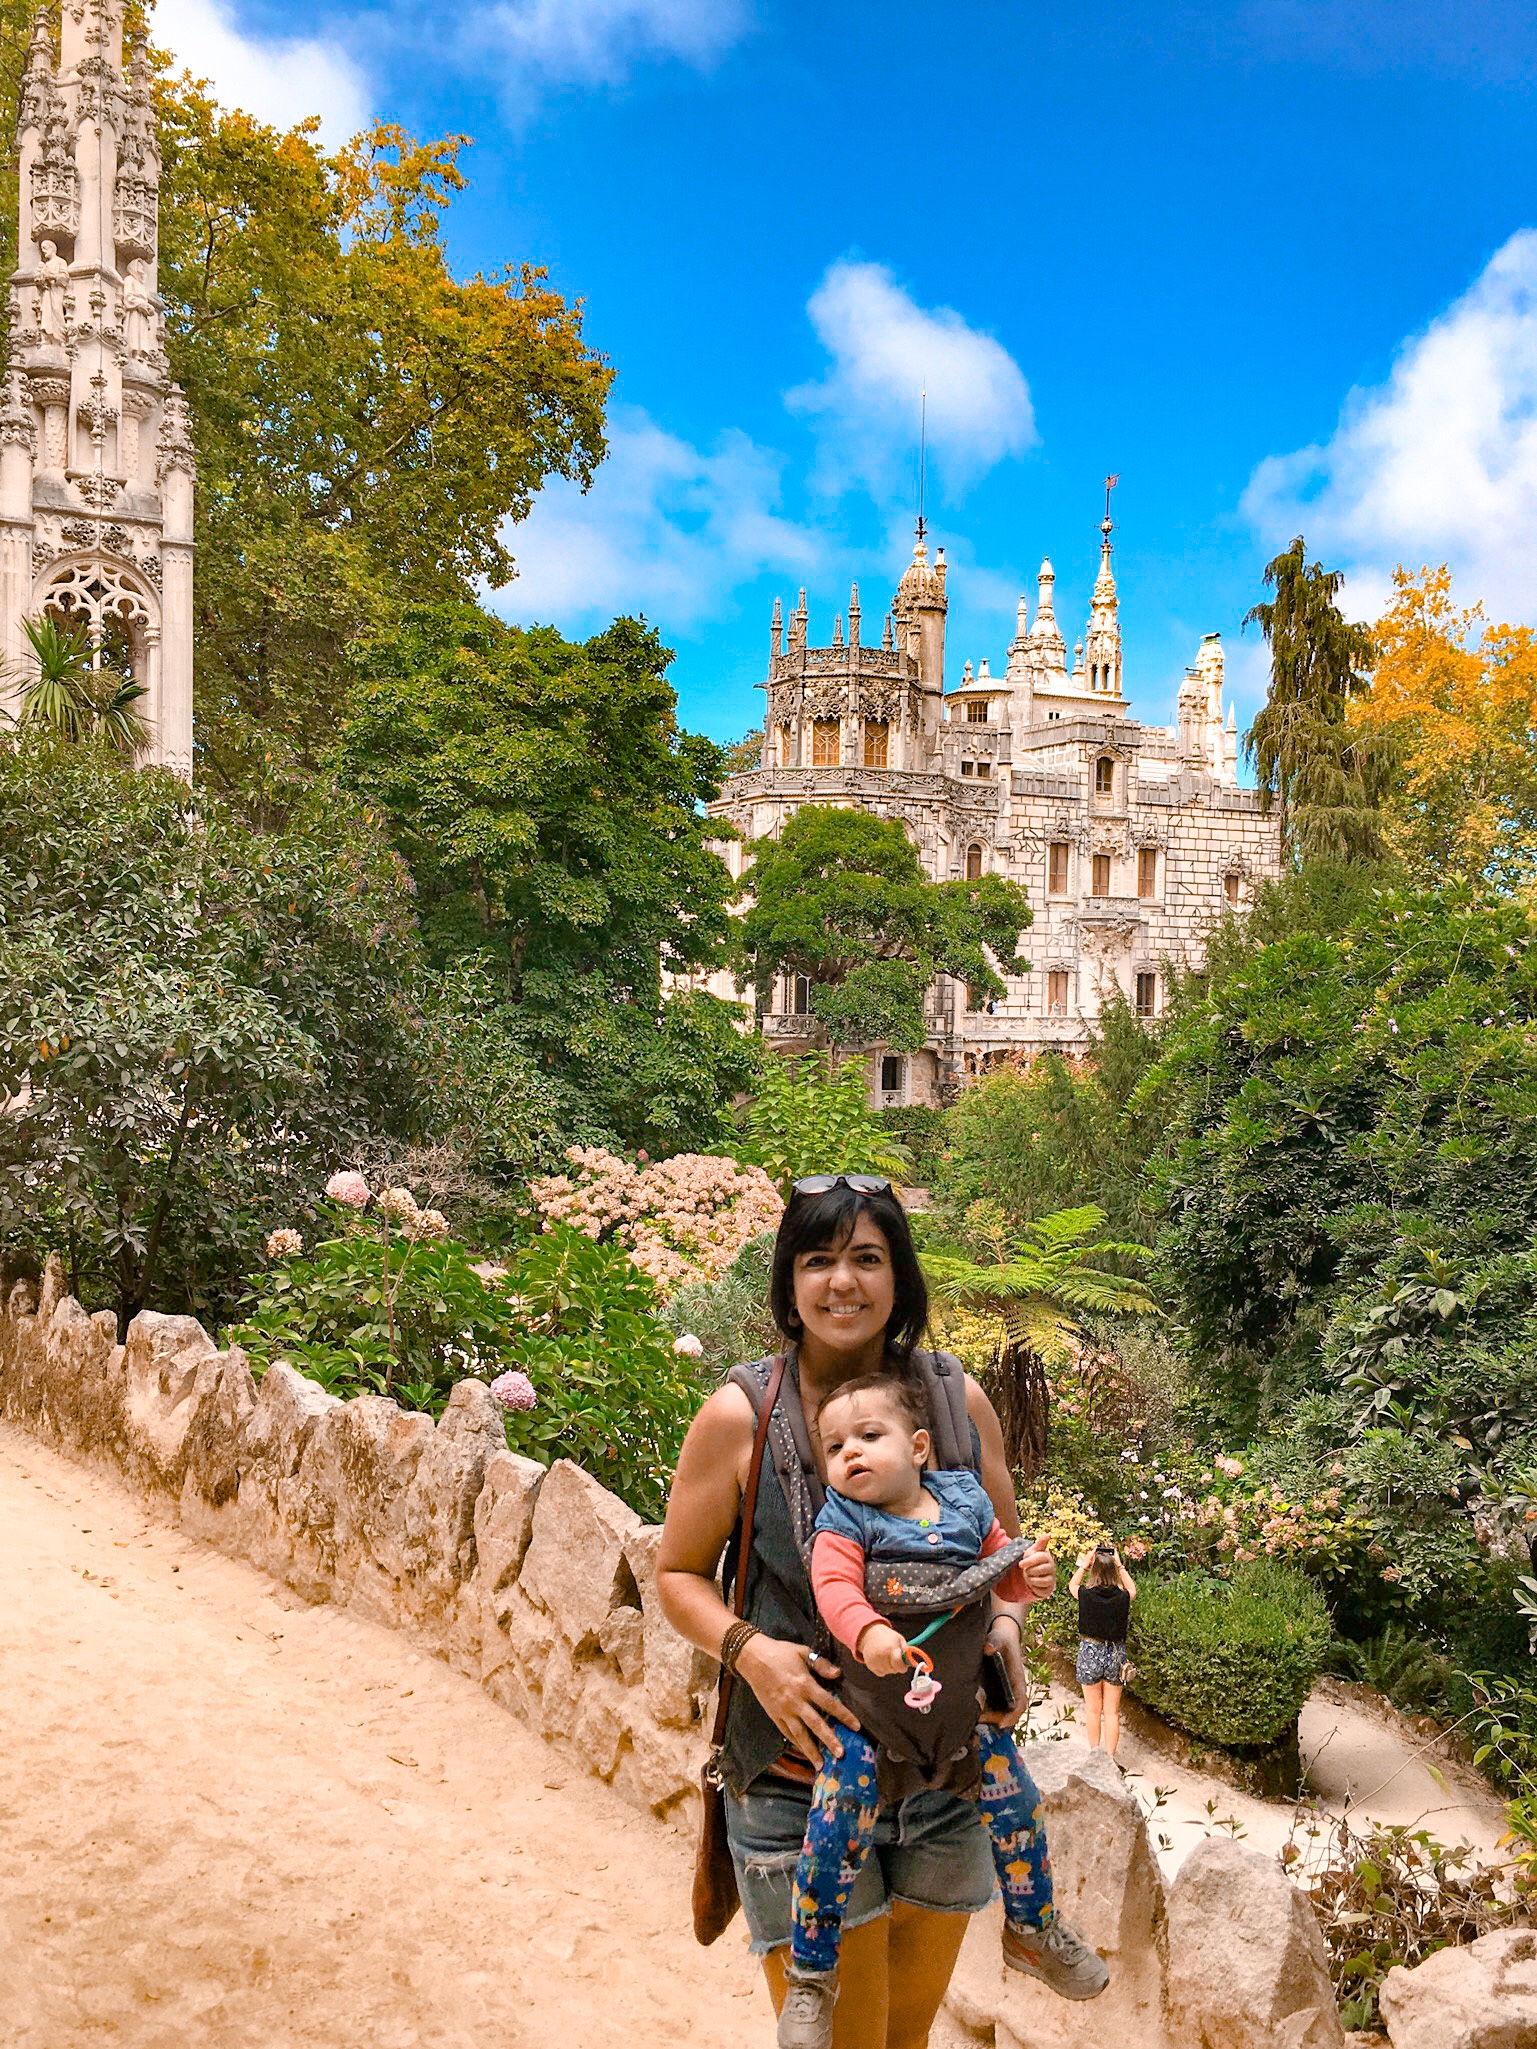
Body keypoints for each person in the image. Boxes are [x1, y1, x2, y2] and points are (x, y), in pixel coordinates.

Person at [657, 1174, 1110, 2049]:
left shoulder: (955, 1401)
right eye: (817, 1259)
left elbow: (999, 1560)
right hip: (798, 1778)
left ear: (898, 1276)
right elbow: (676, 1573)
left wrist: (1006, 1636)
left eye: (866, 1257)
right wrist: (751, 1651)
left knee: (903, 2039)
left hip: (943, 1777)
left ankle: (1034, 1930)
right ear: (788, 1281)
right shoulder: (742, 1413)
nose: (842, 1281)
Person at [776, 1371, 1106, 2048]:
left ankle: (1033, 1928)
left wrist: (1027, 1579)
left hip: (961, 1720)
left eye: (869, 1435)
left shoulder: (964, 1501)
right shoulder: (844, 1522)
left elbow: (999, 1569)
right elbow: (833, 1587)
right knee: (833, 1828)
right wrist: (867, 1631)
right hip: (870, 1725)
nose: (850, 1452)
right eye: (834, 1447)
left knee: (1019, 1810)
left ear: (919, 1446)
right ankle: (811, 1971)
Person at [1068, 1544, 1138, 1759]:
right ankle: (1109, 1758)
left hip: (1090, 1651)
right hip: (1115, 1654)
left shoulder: (1086, 1595)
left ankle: (1094, 1755)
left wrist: (1085, 1563)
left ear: (1094, 1570)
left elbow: (1072, 1584)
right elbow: (1133, 1590)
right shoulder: (1122, 1597)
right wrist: (1120, 1565)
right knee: (1111, 1712)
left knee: (1092, 1710)